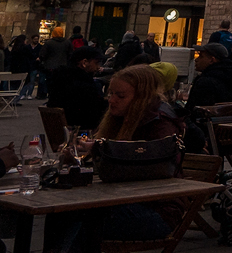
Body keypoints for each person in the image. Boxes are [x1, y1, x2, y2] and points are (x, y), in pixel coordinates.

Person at [62, 65, 184, 253]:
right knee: (62, 212)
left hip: (156, 211)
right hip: (122, 201)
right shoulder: (121, 118)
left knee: (84, 217)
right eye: (110, 94)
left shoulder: (160, 123)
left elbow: (151, 164)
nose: (111, 100)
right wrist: (79, 158)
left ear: (141, 97)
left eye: (120, 96)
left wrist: (100, 149)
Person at [47, 45, 107, 128]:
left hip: (62, 129)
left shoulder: (60, 79)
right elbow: (95, 111)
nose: (98, 67)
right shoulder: (84, 85)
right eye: (96, 63)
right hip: (81, 129)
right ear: (84, 63)